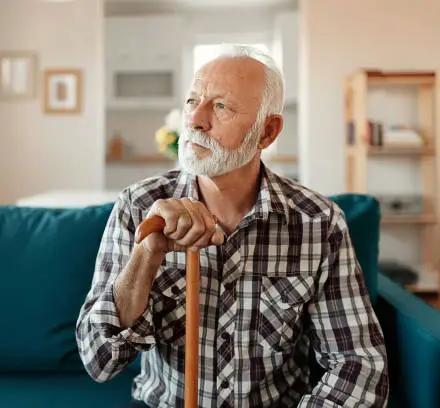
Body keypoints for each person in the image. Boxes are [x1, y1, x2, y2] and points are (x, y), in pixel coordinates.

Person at [75, 44, 389, 408]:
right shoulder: (138, 206)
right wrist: (148, 253)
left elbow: (359, 365)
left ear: (267, 132)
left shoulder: (318, 223)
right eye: (193, 101)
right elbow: (99, 361)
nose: (194, 120)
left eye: (221, 106)